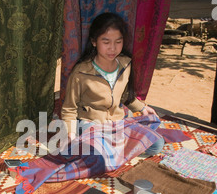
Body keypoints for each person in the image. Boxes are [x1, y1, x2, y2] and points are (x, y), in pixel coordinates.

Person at [61, 12, 164, 156]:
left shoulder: (125, 64)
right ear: (94, 41)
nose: (112, 48)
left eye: (118, 42)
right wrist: (70, 134)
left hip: (117, 122)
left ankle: (111, 149)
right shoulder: (81, 72)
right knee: (100, 151)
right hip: (90, 123)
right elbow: (69, 109)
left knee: (156, 144)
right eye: (106, 42)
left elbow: (124, 96)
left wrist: (142, 108)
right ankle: (102, 148)